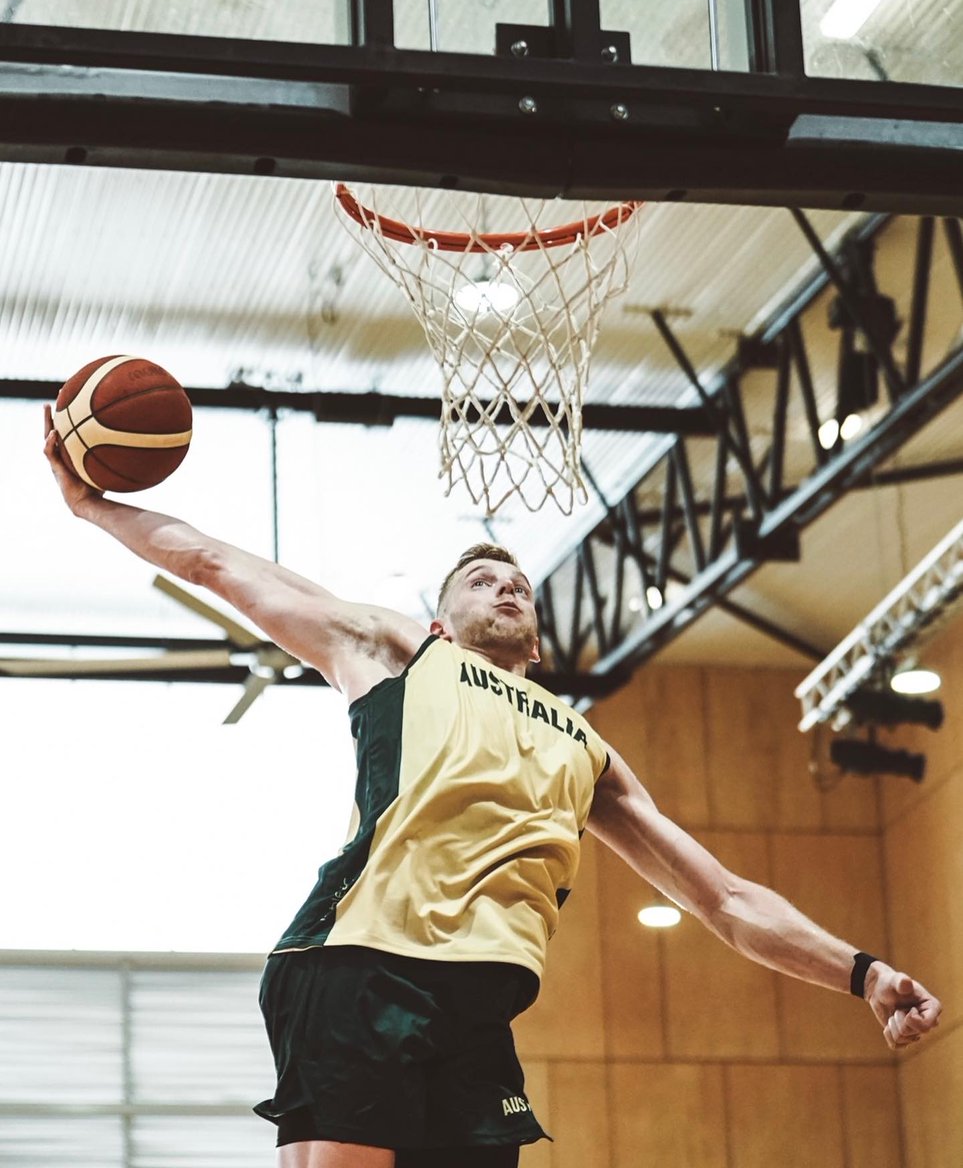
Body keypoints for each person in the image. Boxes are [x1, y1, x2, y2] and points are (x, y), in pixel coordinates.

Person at [43, 406, 942, 1168]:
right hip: (361, 965)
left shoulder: (586, 749)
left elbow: (728, 900)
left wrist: (860, 973)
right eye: (482, 578)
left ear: (540, 644)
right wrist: (95, 508)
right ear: (442, 618)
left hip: (481, 1003)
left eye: (518, 581)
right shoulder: (398, 652)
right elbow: (216, 565)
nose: (506, 583)